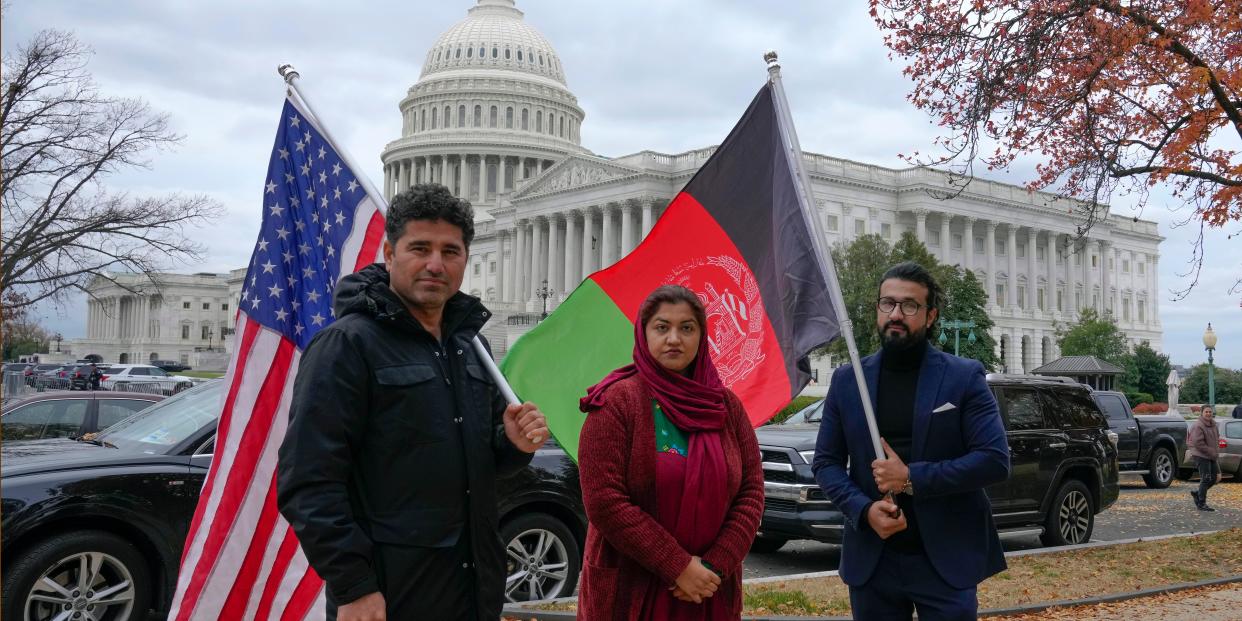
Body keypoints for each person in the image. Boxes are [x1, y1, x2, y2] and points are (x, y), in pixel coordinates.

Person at [276, 184, 550, 621]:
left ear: (465, 257)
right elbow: (308, 482)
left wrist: (512, 445)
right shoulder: (347, 345)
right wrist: (354, 588)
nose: (435, 264)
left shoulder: (470, 347)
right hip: (390, 596)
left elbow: (476, 469)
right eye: (419, 248)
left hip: (471, 590)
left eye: (450, 251)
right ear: (389, 253)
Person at [812, 262, 1011, 620]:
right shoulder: (847, 380)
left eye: (910, 306)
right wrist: (863, 509)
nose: (896, 314)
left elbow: (994, 459)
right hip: (873, 561)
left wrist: (910, 478)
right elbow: (826, 463)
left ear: (930, 315)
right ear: (877, 309)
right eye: (887, 303)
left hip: (945, 562)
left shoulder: (963, 377)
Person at [575, 285, 764, 620]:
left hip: (709, 590)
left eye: (687, 328)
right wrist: (678, 567)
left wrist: (713, 567)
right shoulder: (616, 403)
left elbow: (751, 492)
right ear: (644, 333)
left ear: (702, 336)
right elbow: (605, 501)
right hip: (633, 592)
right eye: (662, 327)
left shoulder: (726, 407)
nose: (674, 338)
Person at [1187, 405, 1220, 511]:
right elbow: (1198, 443)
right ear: (1202, 413)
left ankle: (1198, 493)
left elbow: (1216, 439)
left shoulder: (1213, 425)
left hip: (1211, 455)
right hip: (1201, 455)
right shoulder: (1198, 425)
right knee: (1205, 478)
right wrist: (1211, 452)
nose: (1209, 414)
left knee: (1215, 478)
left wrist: (1214, 452)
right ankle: (1201, 503)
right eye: (1206, 412)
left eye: (1210, 412)